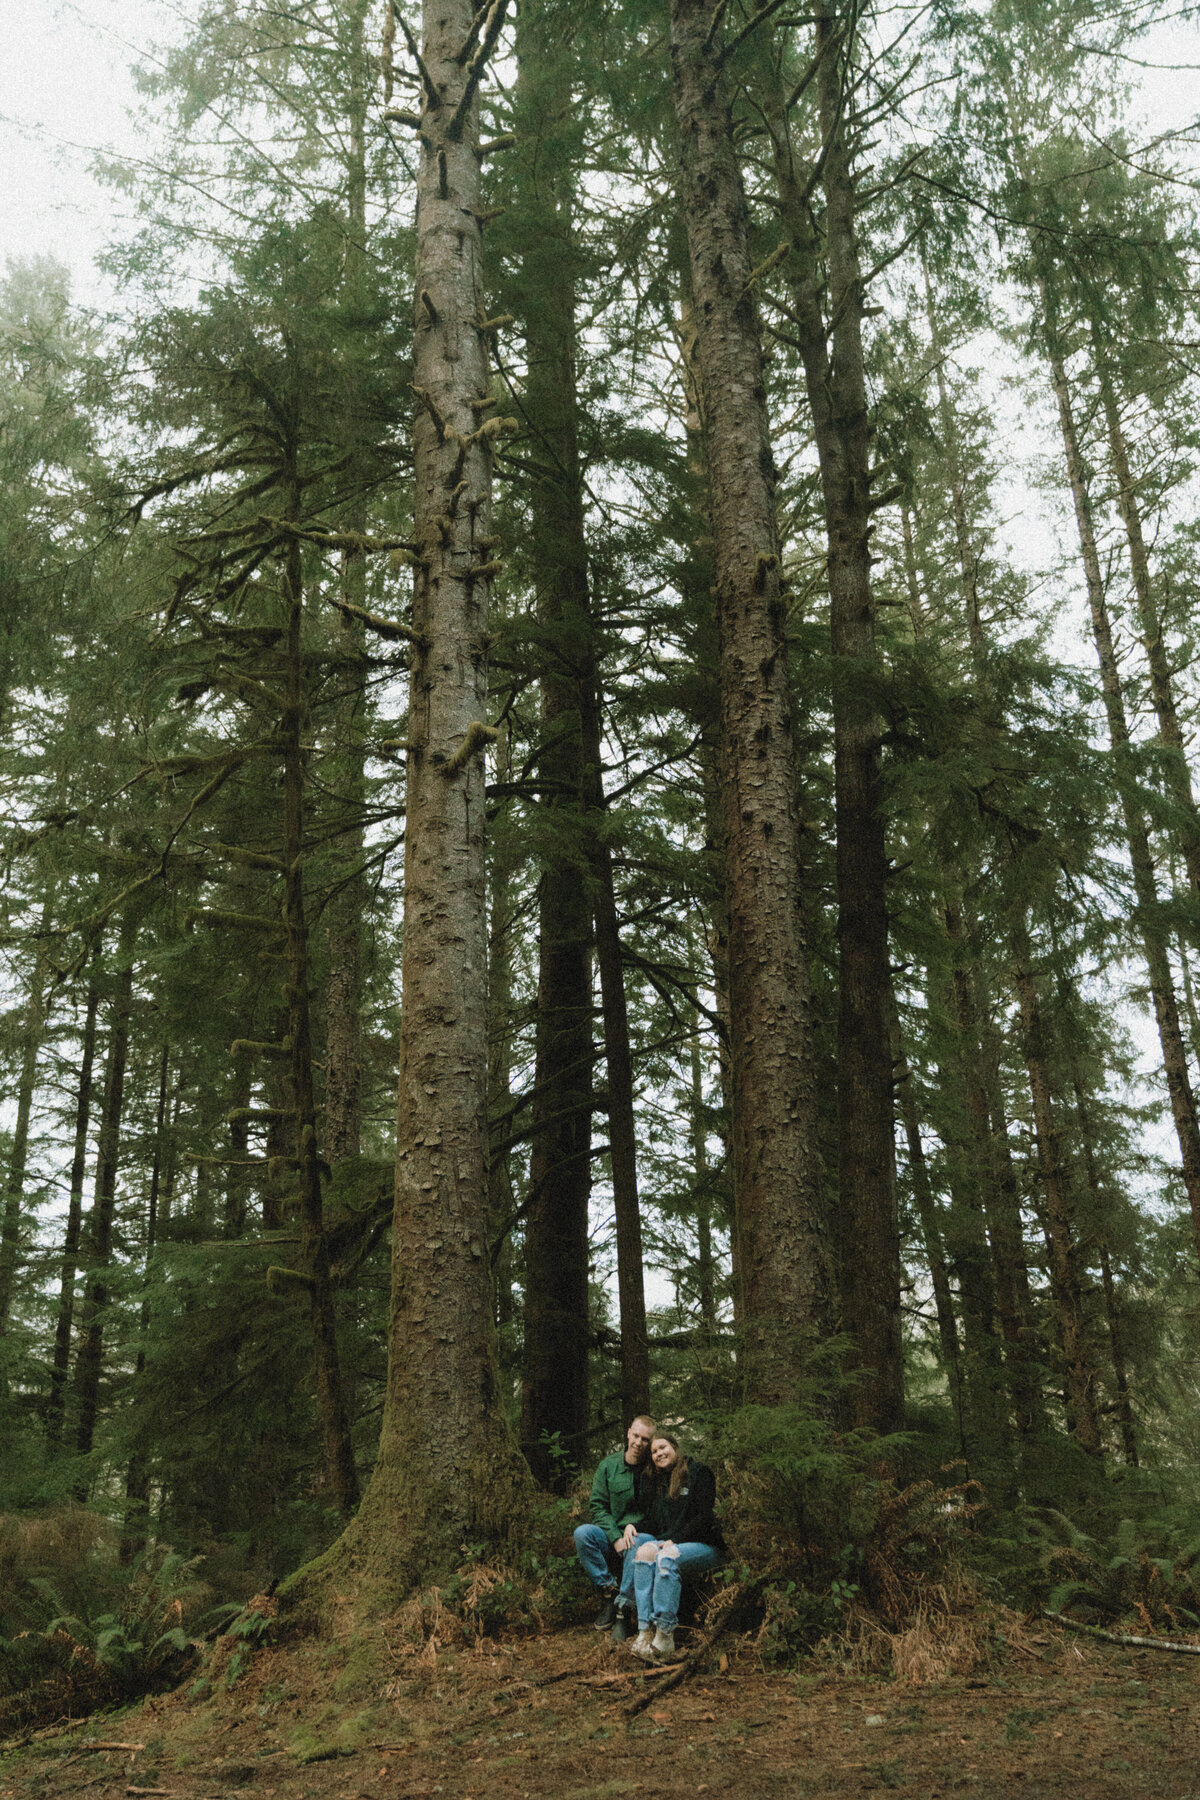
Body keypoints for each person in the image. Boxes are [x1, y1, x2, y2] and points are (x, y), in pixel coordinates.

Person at [626, 1431, 724, 1661]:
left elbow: (705, 1516)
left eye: (663, 1448)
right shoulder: (660, 1482)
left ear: (675, 1447)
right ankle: (644, 1632)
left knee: (665, 1557)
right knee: (643, 1552)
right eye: (654, 1452)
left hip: (705, 1546)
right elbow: (655, 1521)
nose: (659, 1453)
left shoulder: (699, 1473)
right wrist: (633, 1526)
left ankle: (664, 1635)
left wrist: (674, 1540)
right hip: (674, 1543)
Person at [573, 1415, 655, 1631]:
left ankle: (623, 1609)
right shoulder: (608, 1466)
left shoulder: (655, 1469)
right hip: (613, 1537)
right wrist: (615, 1536)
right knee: (583, 1533)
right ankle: (610, 1592)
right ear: (628, 1433)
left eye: (645, 1439)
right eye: (636, 1436)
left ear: (651, 1441)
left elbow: (659, 1511)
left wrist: (634, 1529)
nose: (638, 1443)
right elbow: (597, 1506)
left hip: (641, 1537)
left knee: (636, 1541)